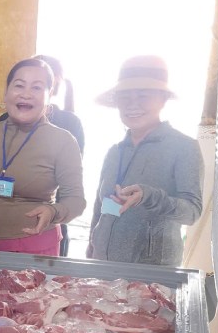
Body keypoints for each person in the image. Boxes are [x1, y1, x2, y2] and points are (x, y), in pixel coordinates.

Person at [87, 55, 203, 266]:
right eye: (125, 97)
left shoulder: (184, 147)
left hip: (152, 275)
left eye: (143, 95)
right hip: (103, 269)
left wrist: (149, 196)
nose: (133, 105)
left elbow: (192, 212)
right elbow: (100, 206)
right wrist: (91, 246)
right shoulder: (114, 151)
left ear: (163, 99)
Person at [0, 58, 86, 256]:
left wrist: (53, 212)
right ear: (7, 92)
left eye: (37, 88)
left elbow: (76, 200)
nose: (26, 94)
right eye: (19, 85)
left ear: (49, 95)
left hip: (35, 245)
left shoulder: (63, 141)